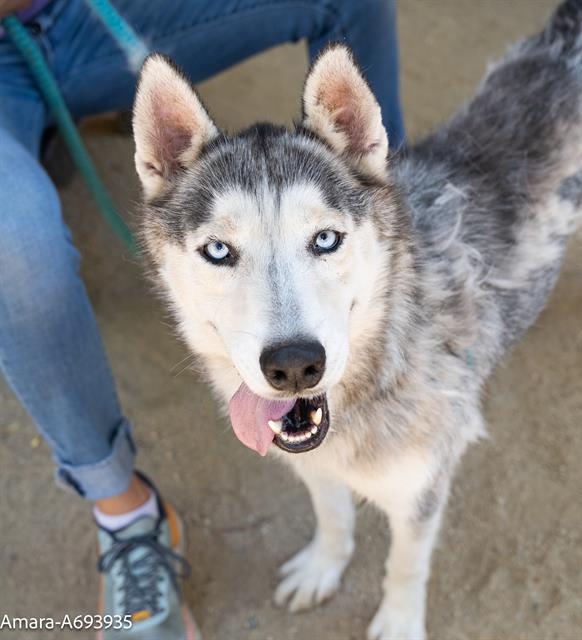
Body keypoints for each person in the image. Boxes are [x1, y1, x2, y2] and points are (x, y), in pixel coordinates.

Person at [0, 0, 405, 638]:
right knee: (11, 249)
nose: (290, 346)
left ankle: (376, 210)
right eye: (220, 250)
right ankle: (123, 511)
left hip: (72, 17)